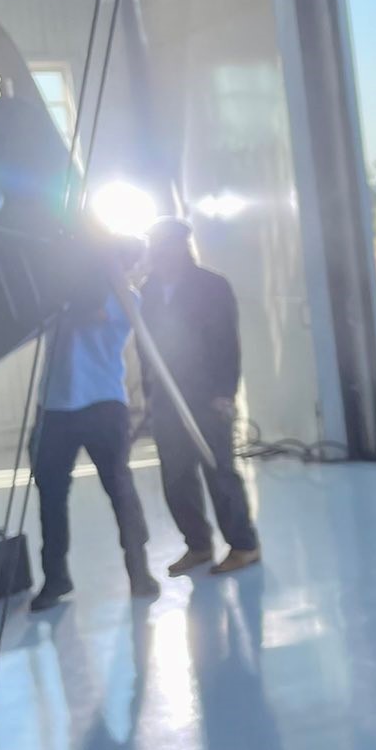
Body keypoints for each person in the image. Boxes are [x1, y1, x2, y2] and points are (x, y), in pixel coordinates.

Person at [30, 262, 160, 611]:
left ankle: (139, 571)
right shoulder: (58, 288)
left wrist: (62, 287)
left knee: (120, 489)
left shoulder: (125, 296)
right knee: (51, 495)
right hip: (54, 406)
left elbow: (92, 312)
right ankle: (55, 577)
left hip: (103, 403)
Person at [140, 217, 261, 576]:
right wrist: (149, 393)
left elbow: (227, 343)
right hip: (166, 398)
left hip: (207, 395)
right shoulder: (148, 290)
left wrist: (225, 393)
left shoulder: (211, 286)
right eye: (156, 245)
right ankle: (198, 545)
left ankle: (244, 545)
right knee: (176, 477)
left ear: (183, 246)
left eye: (168, 244)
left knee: (219, 470)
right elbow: (145, 348)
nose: (161, 252)